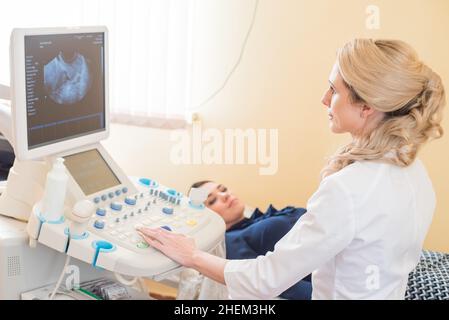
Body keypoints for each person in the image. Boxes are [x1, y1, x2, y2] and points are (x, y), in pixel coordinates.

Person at [138, 39, 446, 299]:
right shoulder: (415, 173)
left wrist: (191, 255)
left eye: (334, 91)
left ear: (366, 106)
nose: (324, 99)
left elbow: (266, 279)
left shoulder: (349, 189)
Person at [188, 180, 312, 299]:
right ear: (205, 217)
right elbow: (269, 280)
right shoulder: (230, 241)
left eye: (223, 189)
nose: (224, 195)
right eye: (212, 200)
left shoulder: (260, 219)